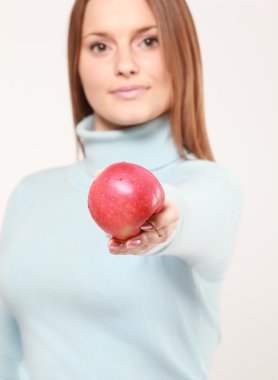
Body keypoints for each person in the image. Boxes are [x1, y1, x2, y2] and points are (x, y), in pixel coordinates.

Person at [0, 0, 244, 379]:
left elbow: (189, 212)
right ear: (76, 63)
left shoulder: (209, 186)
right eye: (100, 46)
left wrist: (162, 217)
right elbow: (7, 353)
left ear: (181, 51)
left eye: (148, 41)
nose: (125, 65)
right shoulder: (30, 195)